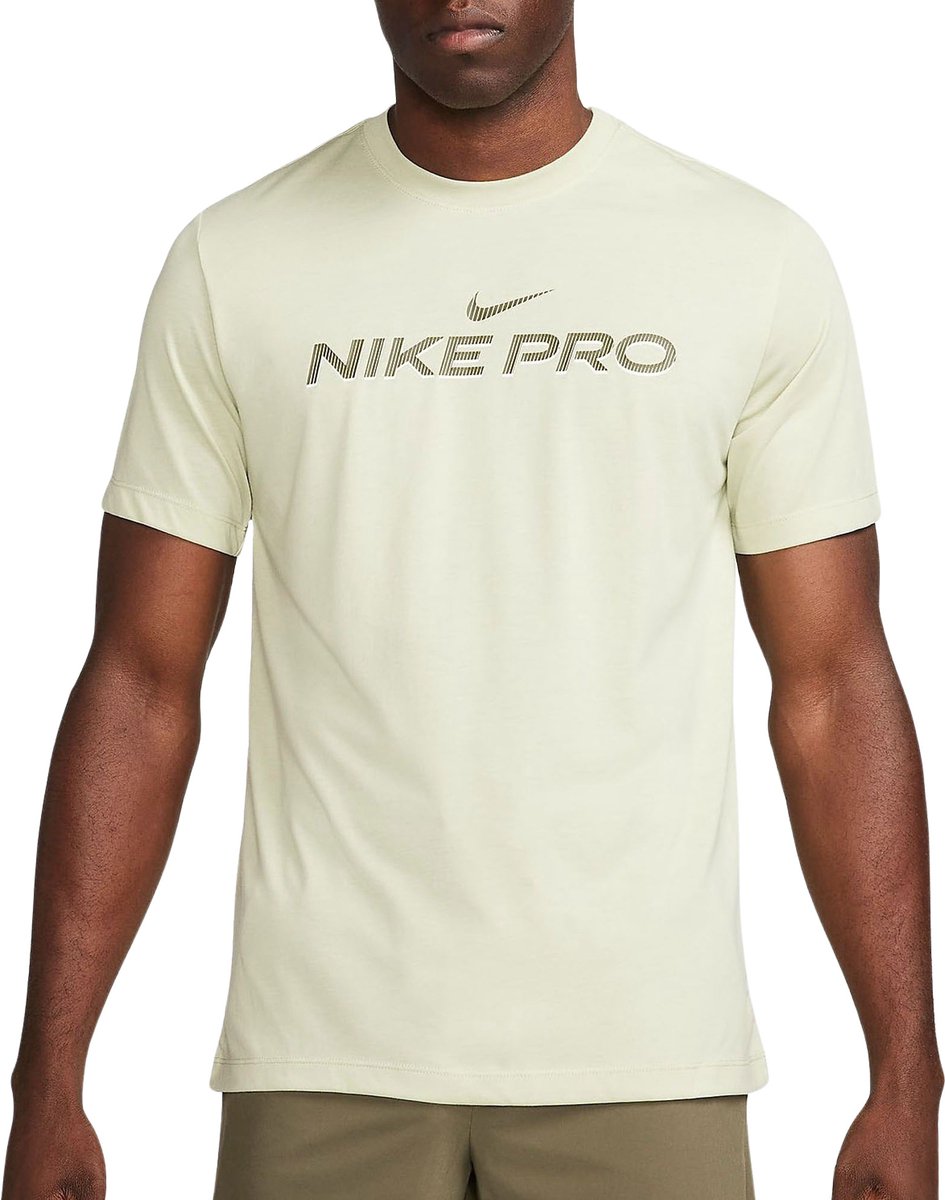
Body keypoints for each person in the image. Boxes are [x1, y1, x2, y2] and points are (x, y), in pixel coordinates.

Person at [3, 1, 941, 1197]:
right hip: (322, 1049)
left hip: (644, 1053)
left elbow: (834, 682)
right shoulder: (236, 261)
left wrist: (907, 1076)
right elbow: (141, 679)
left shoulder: (748, 258)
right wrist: (49, 1079)